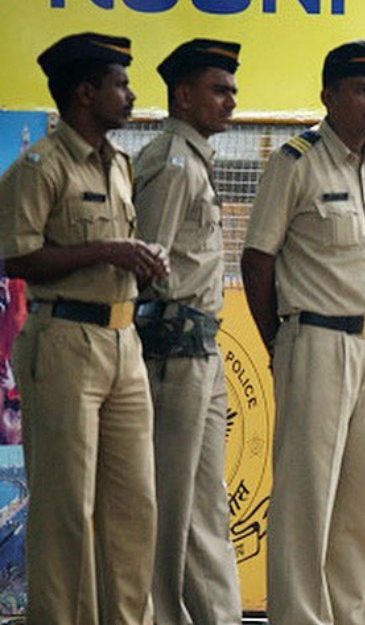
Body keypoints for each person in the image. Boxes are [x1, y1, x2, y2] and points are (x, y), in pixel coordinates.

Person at [0, 32, 168, 623]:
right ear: (85, 92)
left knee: (134, 506)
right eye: (121, 83)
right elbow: (15, 258)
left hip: (123, 342)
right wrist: (108, 250)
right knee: (67, 509)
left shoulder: (118, 164)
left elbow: (114, 252)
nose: (131, 94)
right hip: (64, 341)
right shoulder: (39, 167)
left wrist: (139, 259)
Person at [241, 40, 365, 624]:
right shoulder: (297, 161)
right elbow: (257, 260)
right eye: (362, 90)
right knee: (307, 500)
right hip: (316, 341)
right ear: (329, 96)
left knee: (363, 503)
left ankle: (354, 616)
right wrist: (279, 345)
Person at [132, 38, 243, 625]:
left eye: (232, 89)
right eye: (218, 90)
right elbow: (146, 266)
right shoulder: (170, 161)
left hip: (199, 348)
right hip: (171, 351)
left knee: (205, 504)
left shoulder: (194, 156)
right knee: (168, 504)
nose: (230, 100)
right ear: (182, 95)